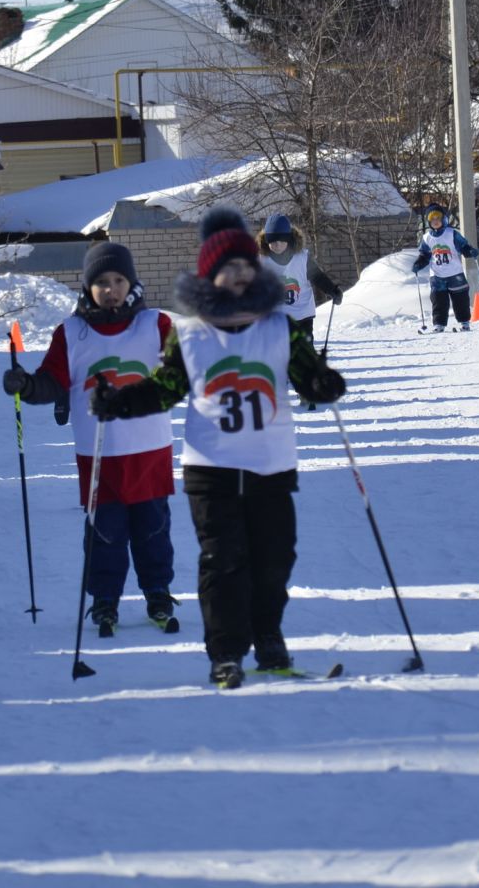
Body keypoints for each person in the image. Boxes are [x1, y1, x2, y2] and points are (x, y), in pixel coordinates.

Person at [90, 208, 347, 690]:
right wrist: (117, 403)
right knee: (224, 559)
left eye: (245, 268)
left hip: (272, 464)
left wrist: (324, 382)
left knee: (275, 557)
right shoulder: (190, 335)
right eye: (226, 269)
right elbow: (162, 390)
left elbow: (310, 378)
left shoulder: (281, 328)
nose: (238, 276)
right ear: (210, 278)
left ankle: (268, 636)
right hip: (214, 469)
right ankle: (225, 653)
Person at [2, 240, 179, 638]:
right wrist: (26, 385)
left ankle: (158, 591)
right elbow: (51, 382)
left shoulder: (156, 325)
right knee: (105, 532)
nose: (111, 288)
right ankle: (104, 599)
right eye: (101, 281)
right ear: (88, 287)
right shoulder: (72, 332)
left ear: (131, 282)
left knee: (153, 529)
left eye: (119, 279)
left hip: (149, 450)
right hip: (99, 454)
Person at [259, 213, 342, 342]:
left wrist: (332, 290)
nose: (277, 245)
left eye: (281, 241)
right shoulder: (261, 261)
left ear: (288, 239)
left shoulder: (302, 258)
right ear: (266, 241)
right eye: (273, 241)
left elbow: (317, 276)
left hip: (302, 316)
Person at [410, 202, 479, 332]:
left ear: (443, 219)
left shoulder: (451, 234)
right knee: (438, 301)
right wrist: (418, 263)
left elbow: (464, 247)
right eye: (432, 219)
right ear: (428, 222)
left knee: (460, 299)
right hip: (437, 276)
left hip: (455, 273)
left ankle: (464, 322)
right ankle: (439, 324)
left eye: (438, 218)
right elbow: (425, 255)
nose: (435, 221)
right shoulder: (427, 238)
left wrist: (470, 251)